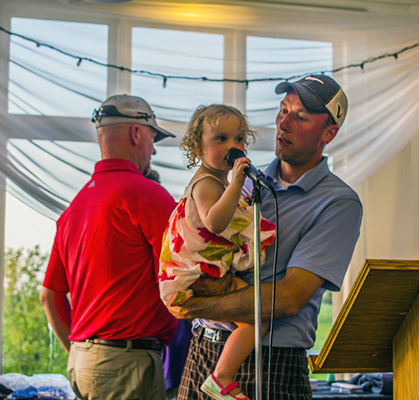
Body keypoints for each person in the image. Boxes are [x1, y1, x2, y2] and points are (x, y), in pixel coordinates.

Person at [169, 75, 363, 400]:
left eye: (300, 117)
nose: (283, 123)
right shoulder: (244, 181)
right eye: (283, 110)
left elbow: (288, 298)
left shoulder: (338, 203)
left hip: (271, 361)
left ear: (328, 133)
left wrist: (197, 306)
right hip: (202, 349)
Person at [40, 94, 178, 400]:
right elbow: (182, 274)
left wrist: (84, 350)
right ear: (136, 133)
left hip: (82, 361)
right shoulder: (147, 195)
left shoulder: (74, 207)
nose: (153, 150)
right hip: (127, 364)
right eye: (153, 138)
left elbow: (49, 296)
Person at [159, 104, 276, 400]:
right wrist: (236, 184)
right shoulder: (206, 184)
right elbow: (214, 222)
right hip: (196, 275)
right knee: (257, 317)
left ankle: (223, 375)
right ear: (197, 148)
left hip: (202, 273)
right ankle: (222, 376)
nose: (232, 146)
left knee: (252, 317)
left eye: (239, 139)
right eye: (221, 139)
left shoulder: (218, 182)